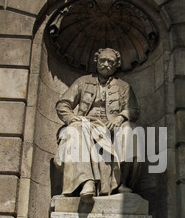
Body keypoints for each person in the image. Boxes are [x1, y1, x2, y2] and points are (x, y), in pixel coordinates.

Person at [54, 48, 141, 203]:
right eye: (102, 60)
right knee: (74, 130)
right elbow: (63, 104)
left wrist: (121, 117)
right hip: (86, 125)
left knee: (130, 131)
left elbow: (133, 110)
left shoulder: (124, 87)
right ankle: (86, 183)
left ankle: (120, 184)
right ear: (96, 61)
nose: (106, 64)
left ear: (116, 65)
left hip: (112, 128)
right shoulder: (82, 81)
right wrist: (72, 118)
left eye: (110, 62)